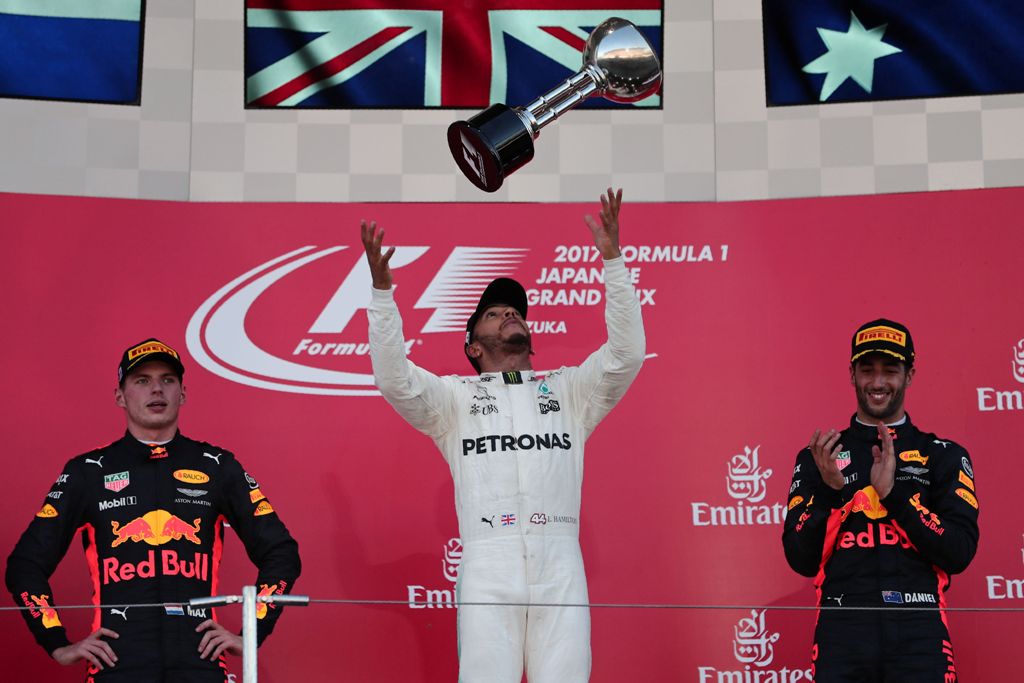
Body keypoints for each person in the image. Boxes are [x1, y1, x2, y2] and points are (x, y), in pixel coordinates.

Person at [362, 188, 645, 682]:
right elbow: (395, 379)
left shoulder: (570, 390)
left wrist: (613, 262)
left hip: (560, 559)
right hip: (488, 561)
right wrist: (383, 296)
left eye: (514, 311)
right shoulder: (454, 400)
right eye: (494, 313)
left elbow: (626, 355)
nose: (510, 314)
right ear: (472, 347)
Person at [6, 339, 301, 682]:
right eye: (142, 381)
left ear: (183, 394)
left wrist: (251, 631)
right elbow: (25, 566)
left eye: (168, 380)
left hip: (200, 666)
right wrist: (56, 642)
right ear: (120, 396)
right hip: (117, 667)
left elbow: (282, 553)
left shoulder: (218, 466)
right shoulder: (87, 471)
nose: (156, 389)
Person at [782, 319, 979, 682]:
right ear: (851, 373)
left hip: (920, 630)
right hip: (843, 631)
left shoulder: (943, 455)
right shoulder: (819, 456)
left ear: (910, 375)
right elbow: (800, 559)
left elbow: (959, 552)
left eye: (890, 370)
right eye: (866, 370)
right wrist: (828, 491)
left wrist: (895, 496)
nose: (877, 382)